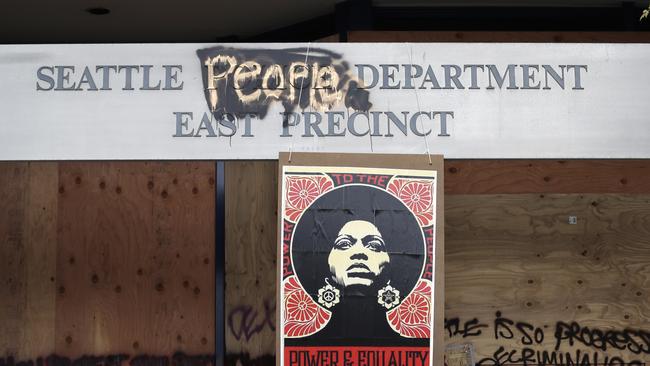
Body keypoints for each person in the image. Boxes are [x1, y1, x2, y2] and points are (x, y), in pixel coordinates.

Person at [290, 184, 425, 343]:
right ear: (326, 258)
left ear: (390, 260)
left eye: (374, 246)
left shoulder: (413, 342)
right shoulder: (303, 341)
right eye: (344, 244)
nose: (359, 253)